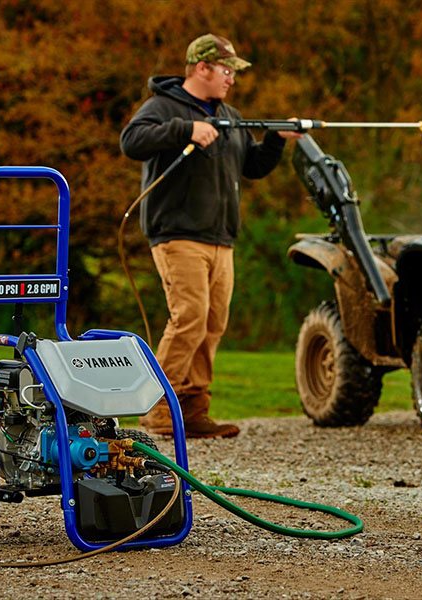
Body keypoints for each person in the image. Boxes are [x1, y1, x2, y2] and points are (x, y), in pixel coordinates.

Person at [120, 33, 300, 438]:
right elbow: (131, 141)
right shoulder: (162, 107)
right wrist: (185, 129)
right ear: (201, 68)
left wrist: (274, 140)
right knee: (190, 319)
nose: (231, 79)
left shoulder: (231, 116)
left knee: (213, 324)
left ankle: (194, 409)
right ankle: (158, 409)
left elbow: (251, 166)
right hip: (178, 234)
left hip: (221, 239)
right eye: (226, 70)